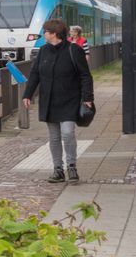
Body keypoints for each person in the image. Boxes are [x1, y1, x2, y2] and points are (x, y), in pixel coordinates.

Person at [23, 19, 94, 184]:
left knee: (68, 133)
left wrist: (88, 98)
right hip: (49, 100)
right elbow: (35, 74)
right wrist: (27, 94)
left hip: (70, 99)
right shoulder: (43, 51)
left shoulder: (74, 50)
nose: (43, 34)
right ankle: (58, 170)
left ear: (54, 33)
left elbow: (85, 75)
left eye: (45, 31)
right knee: (54, 137)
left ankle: (71, 166)